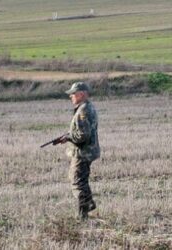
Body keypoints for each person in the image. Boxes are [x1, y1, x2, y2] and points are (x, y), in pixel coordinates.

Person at [59, 82, 100, 220]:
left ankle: (83, 213)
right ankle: (88, 204)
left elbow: (83, 135)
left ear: (81, 94)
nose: (71, 96)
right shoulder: (87, 107)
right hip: (86, 151)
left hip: (83, 152)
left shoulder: (83, 110)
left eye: (73, 93)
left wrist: (69, 137)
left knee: (77, 182)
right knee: (80, 179)